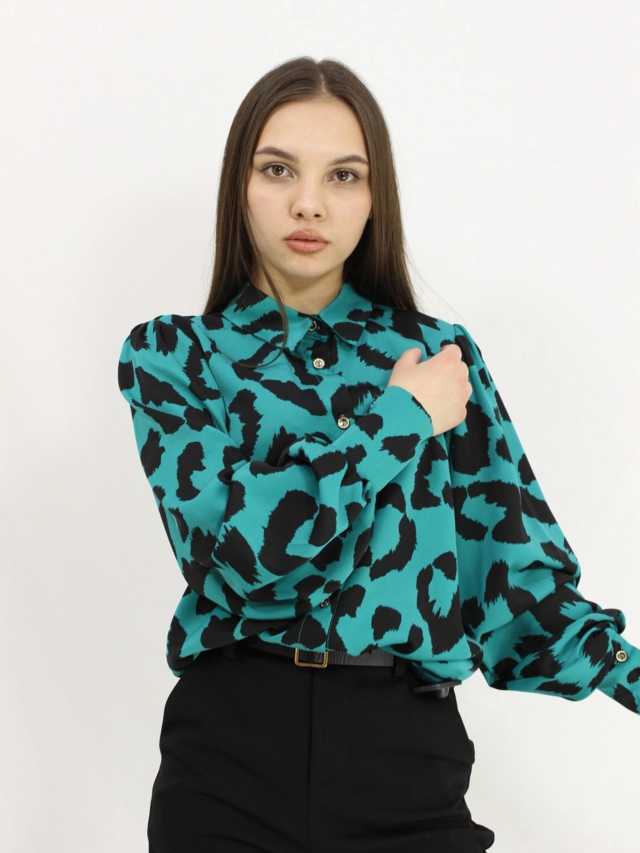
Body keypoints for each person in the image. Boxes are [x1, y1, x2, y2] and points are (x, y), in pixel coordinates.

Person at [117, 56, 639, 853]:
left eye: (344, 175)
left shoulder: (441, 357)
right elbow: (238, 553)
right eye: (278, 169)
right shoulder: (174, 357)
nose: (309, 202)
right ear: (239, 185)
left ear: (374, 197)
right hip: (230, 759)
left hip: (406, 763)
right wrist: (402, 416)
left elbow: (514, 591)